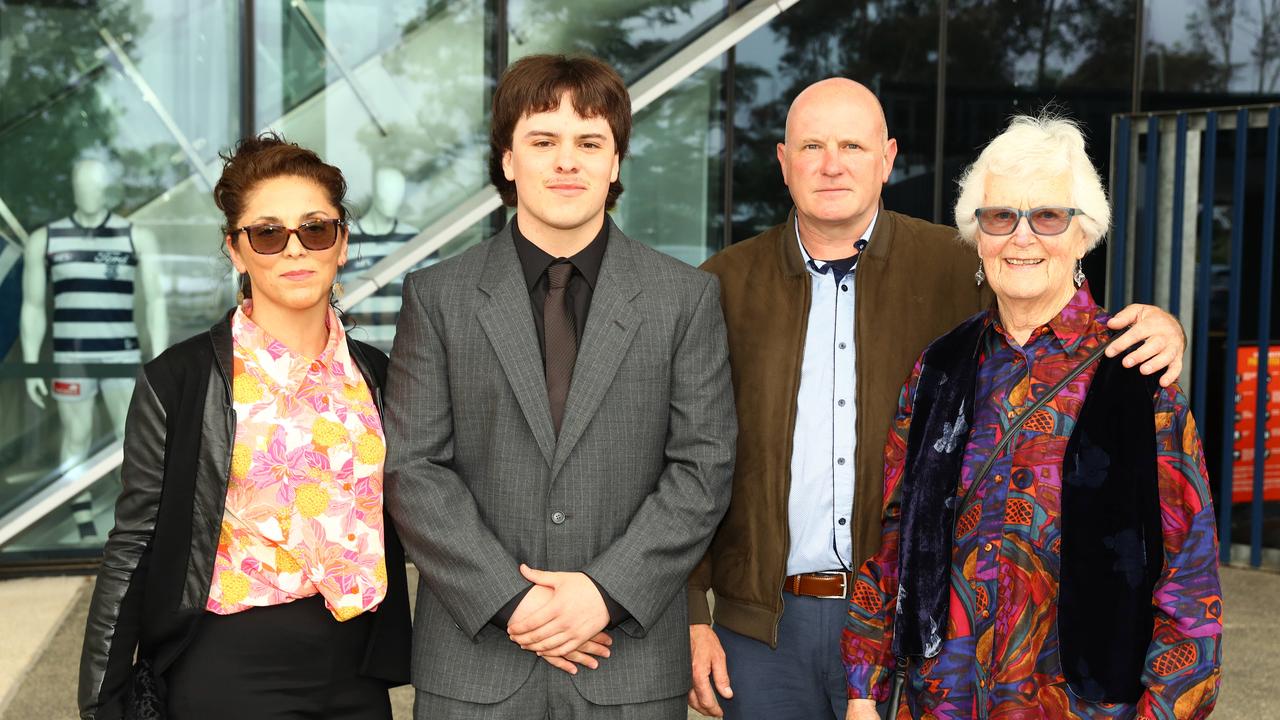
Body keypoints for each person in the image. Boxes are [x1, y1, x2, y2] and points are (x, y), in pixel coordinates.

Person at [687, 78, 1188, 720]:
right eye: (811, 145)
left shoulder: (963, 265)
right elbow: (688, 457)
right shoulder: (720, 285)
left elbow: (1056, 326)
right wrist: (689, 614)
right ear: (783, 161)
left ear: (889, 158)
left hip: (920, 638)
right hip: (762, 630)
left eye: (852, 144)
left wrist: (1158, 327)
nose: (832, 163)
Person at [383, 53, 736, 720]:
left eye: (589, 142)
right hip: (475, 663)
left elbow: (703, 467)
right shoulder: (438, 296)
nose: (566, 161)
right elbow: (413, 469)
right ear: (509, 160)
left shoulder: (684, 299)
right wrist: (514, 603)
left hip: (626, 664)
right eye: (543, 141)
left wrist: (605, 592)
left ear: (616, 161)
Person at [843, 113, 1222, 719]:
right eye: (1000, 216)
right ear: (977, 235)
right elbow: (893, 539)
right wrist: (864, 689)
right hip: (944, 702)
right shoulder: (938, 369)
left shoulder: (1137, 375)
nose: (1021, 237)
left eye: (1047, 216)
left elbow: (1190, 581)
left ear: (1082, 234)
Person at [78, 133, 411, 719]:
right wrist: (101, 698)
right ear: (236, 250)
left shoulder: (378, 376)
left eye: (315, 229)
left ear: (342, 243)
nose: (294, 250)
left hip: (357, 673)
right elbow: (134, 541)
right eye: (267, 232)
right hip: (231, 668)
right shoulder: (180, 380)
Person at [21, 158, 167, 539]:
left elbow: (156, 302)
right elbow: (33, 306)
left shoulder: (135, 236)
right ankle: (82, 515)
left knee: (131, 438)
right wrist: (34, 364)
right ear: (72, 187)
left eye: (94, 184)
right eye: (80, 184)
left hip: (122, 356)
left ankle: (132, 520)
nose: (86, 191)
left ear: (105, 189)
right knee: (76, 436)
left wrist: (161, 359)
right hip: (72, 357)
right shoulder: (46, 239)